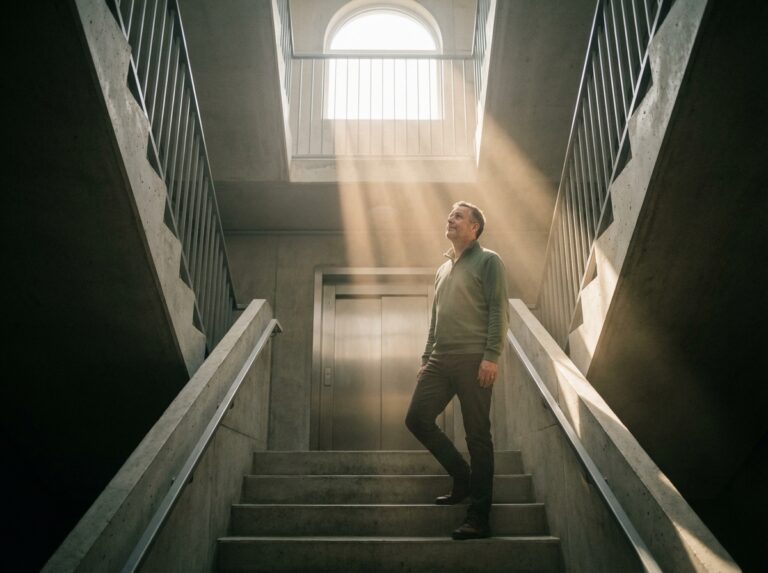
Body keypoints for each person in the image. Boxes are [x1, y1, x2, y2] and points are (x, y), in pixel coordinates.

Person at [405, 201, 509, 540]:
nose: (450, 218)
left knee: (478, 437)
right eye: (450, 213)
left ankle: (479, 518)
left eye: (458, 215)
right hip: (440, 359)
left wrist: (491, 356)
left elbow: (498, 309)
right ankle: (461, 476)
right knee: (417, 418)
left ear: (474, 228)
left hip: (473, 358)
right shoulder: (442, 268)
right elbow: (435, 317)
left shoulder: (489, 261)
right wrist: (426, 357)